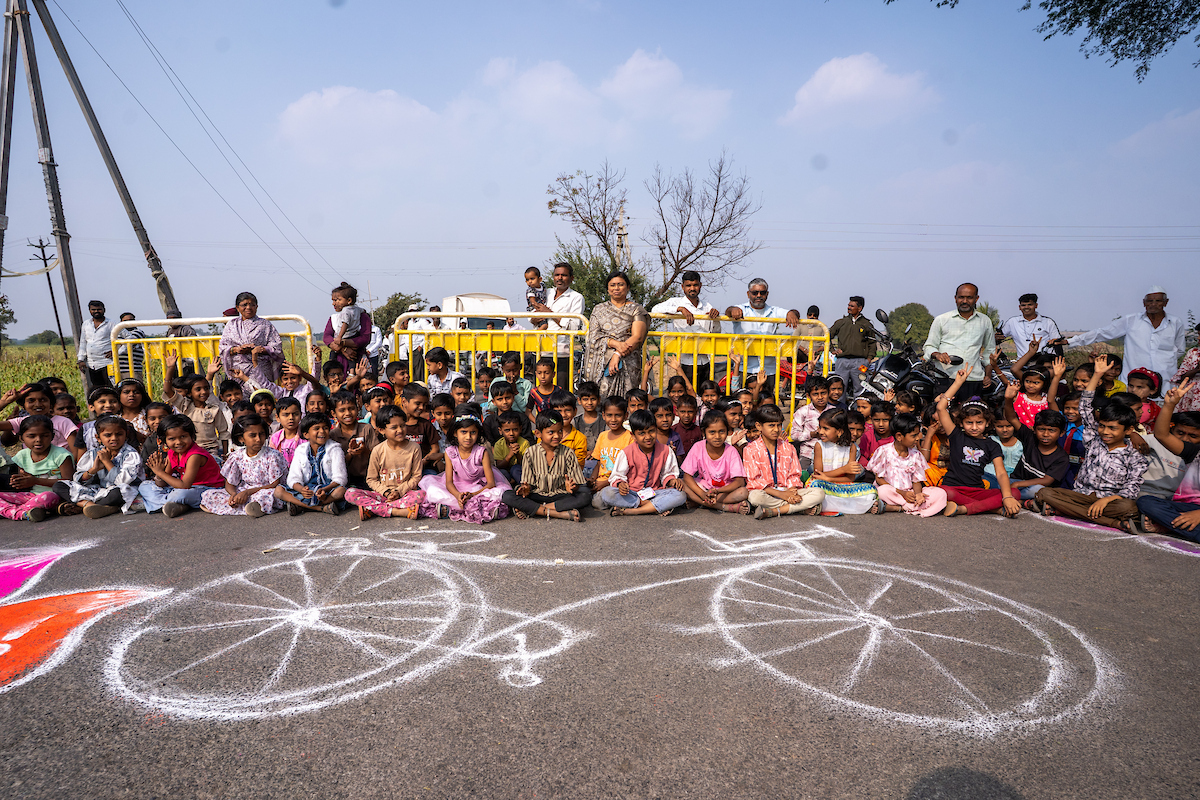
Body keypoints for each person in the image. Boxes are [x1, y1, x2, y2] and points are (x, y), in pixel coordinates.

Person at [1036, 355, 1147, 531]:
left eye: (1112, 428)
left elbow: (1131, 490)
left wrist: (1106, 500)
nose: (1105, 432)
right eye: (1102, 426)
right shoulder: (1094, 440)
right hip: (1081, 496)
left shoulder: (1135, 456)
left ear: (1128, 430)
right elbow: (1085, 406)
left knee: (1129, 509)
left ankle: (1064, 511)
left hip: (1110, 502)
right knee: (1044, 493)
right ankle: (1112, 523)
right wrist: (1097, 374)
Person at [935, 367, 1022, 517]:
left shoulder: (992, 445)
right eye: (969, 423)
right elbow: (941, 408)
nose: (974, 427)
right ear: (961, 423)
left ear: (988, 422)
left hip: (977, 491)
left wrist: (1007, 497)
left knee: (1014, 493)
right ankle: (991, 508)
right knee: (943, 493)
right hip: (953, 489)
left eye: (979, 422)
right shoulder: (956, 435)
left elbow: (1001, 473)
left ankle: (964, 509)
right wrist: (958, 383)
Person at [1067, 286, 1186, 385]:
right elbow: (1103, 333)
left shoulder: (1175, 323)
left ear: (1166, 302)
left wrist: (1164, 362)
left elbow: (1179, 350)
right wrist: (1070, 342)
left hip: (1165, 381)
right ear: (1144, 303)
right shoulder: (1131, 320)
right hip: (1133, 382)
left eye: (1158, 301)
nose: (1153, 304)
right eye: (1150, 301)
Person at [1137, 380, 1200, 540]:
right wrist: (1170, 405)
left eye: (1192, 435)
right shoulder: (1195, 451)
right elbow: (1162, 435)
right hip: (1181, 507)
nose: (1186, 439)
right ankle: (1179, 527)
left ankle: (1171, 527)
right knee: (1147, 502)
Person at [593, 409, 687, 517]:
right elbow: (617, 476)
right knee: (608, 493)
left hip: (654, 493)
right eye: (642, 433)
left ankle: (633, 511)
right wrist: (621, 484)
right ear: (633, 436)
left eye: (651, 431)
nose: (648, 437)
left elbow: (667, 474)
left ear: (656, 430)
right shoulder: (626, 452)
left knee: (680, 495)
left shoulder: (666, 451)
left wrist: (673, 481)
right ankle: (652, 507)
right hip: (631, 493)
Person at [503, 410, 591, 521]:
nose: (557, 436)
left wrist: (573, 487)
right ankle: (559, 514)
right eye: (551, 432)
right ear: (538, 433)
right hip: (537, 495)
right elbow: (528, 484)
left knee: (585, 496)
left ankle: (536, 510)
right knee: (507, 495)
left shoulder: (568, 453)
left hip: (560, 495)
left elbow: (577, 483)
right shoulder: (530, 453)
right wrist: (525, 488)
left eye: (560, 431)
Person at [743, 404, 824, 519]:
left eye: (779, 425)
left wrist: (792, 492)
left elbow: (794, 475)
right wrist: (783, 495)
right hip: (767, 493)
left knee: (819, 493)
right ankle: (799, 508)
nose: (776, 429)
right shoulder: (750, 449)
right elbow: (754, 481)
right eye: (771, 425)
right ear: (759, 426)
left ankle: (775, 511)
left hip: (787, 490)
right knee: (755, 497)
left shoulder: (788, 447)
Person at [199, 414, 289, 517]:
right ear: (241, 438)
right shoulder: (237, 456)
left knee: (268, 495)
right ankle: (246, 506)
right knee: (209, 494)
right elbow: (230, 483)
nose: (258, 439)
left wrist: (248, 492)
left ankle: (254, 507)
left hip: (264, 490)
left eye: (261, 434)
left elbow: (274, 484)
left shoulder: (272, 455)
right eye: (253, 435)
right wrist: (233, 494)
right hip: (244, 490)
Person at [344, 405, 425, 519]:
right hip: (382, 495)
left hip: (404, 494)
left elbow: (416, 477)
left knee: (421, 495)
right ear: (381, 430)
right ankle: (396, 511)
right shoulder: (378, 450)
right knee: (350, 493)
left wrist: (398, 491)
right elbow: (371, 479)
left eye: (402, 425)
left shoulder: (414, 448)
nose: (400, 430)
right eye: (394, 427)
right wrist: (386, 492)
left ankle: (374, 509)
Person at [138, 414, 223, 517]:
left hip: (207, 489)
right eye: (172, 439)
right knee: (144, 486)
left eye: (183, 436)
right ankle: (176, 504)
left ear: (191, 436)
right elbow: (162, 484)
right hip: (183, 488)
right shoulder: (172, 453)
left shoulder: (194, 455)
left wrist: (159, 472)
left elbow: (184, 485)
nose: (178, 442)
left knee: (180, 495)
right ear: (164, 441)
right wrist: (159, 474)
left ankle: (160, 503)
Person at [583, 271, 649, 399]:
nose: (616, 288)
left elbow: (637, 337)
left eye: (620, 284)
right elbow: (593, 337)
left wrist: (617, 354)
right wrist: (615, 343)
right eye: (612, 285)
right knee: (601, 402)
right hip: (600, 364)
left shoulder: (636, 309)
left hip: (628, 362)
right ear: (608, 289)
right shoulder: (599, 309)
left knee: (626, 401)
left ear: (628, 287)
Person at [724, 278, 802, 385]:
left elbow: (791, 313)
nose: (759, 295)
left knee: (767, 401)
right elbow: (728, 310)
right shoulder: (740, 309)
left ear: (767, 294)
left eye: (762, 292)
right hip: (744, 368)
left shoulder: (773, 311)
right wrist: (732, 311)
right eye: (755, 293)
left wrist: (792, 313)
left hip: (768, 370)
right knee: (743, 401)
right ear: (748, 294)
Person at [650, 271, 722, 387]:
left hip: (705, 360)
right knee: (687, 397)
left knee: (704, 395)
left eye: (695, 285)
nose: (692, 288)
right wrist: (679, 309)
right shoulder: (676, 302)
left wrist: (716, 318)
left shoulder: (707, 306)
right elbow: (655, 309)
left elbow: (716, 332)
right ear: (683, 287)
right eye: (688, 285)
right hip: (685, 362)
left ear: (700, 286)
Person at [923, 283, 994, 399]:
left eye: (969, 298)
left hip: (973, 378)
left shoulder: (985, 321)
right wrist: (937, 355)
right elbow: (929, 346)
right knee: (942, 413)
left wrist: (988, 375)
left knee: (970, 415)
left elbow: (989, 351)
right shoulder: (941, 320)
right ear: (955, 299)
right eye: (961, 297)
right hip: (945, 378)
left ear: (976, 299)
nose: (964, 301)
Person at [868, 412, 947, 516]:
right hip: (894, 493)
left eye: (918, 434)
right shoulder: (884, 451)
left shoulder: (916, 455)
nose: (918, 438)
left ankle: (899, 507)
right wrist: (902, 493)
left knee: (940, 493)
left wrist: (918, 494)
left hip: (910, 493)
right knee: (882, 491)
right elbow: (879, 479)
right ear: (899, 436)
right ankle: (912, 507)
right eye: (913, 436)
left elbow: (916, 480)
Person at [2, 415, 73, 522]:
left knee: (48, 496)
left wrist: (35, 480)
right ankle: (25, 512)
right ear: (21, 438)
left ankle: (15, 512)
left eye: (44, 436)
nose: (38, 440)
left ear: (52, 436)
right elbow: (21, 482)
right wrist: (18, 481)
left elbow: (69, 482)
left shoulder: (61, 455)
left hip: (56, 496)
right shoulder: (21, 456)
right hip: (31, 496)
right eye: (31, 436)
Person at [275, 412, 348, 515]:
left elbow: (340, 479)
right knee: (278, 491)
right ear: (306, 434)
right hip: (308, 491)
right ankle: (321, 508)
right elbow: (293, 478)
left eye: (325, 428)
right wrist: (302, 490)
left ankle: (302, 506)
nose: (322, 431)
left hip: (327, 490)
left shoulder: (335, 449)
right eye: (316, 428)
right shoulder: (301, 450)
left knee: (340, 491)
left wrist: (324, 489)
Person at [680, 410, 750, 514]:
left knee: (743, 492)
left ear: (727, 432)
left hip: (723, 491)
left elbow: (739, 482)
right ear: (704, 433)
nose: (717, 436)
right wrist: (703, 494)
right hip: (703, 489)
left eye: (721, 431)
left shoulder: (731, 451)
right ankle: (725, 507)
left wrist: (718, 491)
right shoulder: (698, 447)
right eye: (712, 432)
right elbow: (687, 476)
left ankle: (700, 502)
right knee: (681, 483)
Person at [220, 292, 284, 387]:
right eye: (244, 305)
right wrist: (237, 349)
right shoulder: (231, 325)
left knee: (261, 397)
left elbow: (277, 347)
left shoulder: (265, 325)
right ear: (237, 308)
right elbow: (223, 347)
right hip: (238, 372)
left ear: (256, 306)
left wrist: (260, 350)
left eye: (252, 304)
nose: (248, 307)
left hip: (260, 370)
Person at [828, 296, 879, 397]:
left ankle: (858, 412)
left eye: (852, 306)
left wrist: (868, 359)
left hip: (861, 363)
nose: (849, 308)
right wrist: (832, 350)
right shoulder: (841, 322)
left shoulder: (866, 324)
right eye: (848, 305)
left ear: (859, 308)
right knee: (839, 390)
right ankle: (839, 412)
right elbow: (827, 336)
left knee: (861, 389)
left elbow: (872, 343)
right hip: (842, 362)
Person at [999, 294, 1064, 358]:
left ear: (1036, 305)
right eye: (1023, 305)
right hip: (1022, 364)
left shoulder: (1048, 322)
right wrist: (997, 337)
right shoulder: (1012, 322)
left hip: (1043, 363)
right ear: (1019, 307)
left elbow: (1057, 343)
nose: (1026, 307)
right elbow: (999, 338)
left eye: (1030, 304)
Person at [76, 300, 113, 391]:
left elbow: (127, 338)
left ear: (104, 310)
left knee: (111, 388)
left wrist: (116, 352)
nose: (96, 311)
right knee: (97, 389)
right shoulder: (86, 324)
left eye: (99, 309)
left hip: (107, 363)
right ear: (89, 311)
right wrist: (80, 359)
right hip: (92, 364)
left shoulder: (111, 323)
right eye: (93, 309)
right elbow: (83, 342)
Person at [328, 282, 365, 365]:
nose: (334, 303)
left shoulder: (346, 311)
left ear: (349, 300)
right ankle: (351, 373)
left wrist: (340, 340)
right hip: (350, 343)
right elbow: (326, 337)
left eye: (337, 300)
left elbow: (365, 338)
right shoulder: (357, 310)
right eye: (333, 300)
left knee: (333, 358)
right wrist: (343, 348)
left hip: (347, 345)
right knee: (352, 361)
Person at [1170, 323, 1200, 412]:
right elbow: (1181, 378)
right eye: (1198, 334)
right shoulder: (1193, 353)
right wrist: (1196, 369)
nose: (1199, 338)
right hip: (1192, 395)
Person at [114, 312, 147, 381]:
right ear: (121, 322)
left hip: (133, 369)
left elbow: (129, 344)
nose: (128, 323)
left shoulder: (138, 332)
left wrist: (116, 351)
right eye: (125, 321)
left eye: (131, 320)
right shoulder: (116, 333)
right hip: (117, 369)